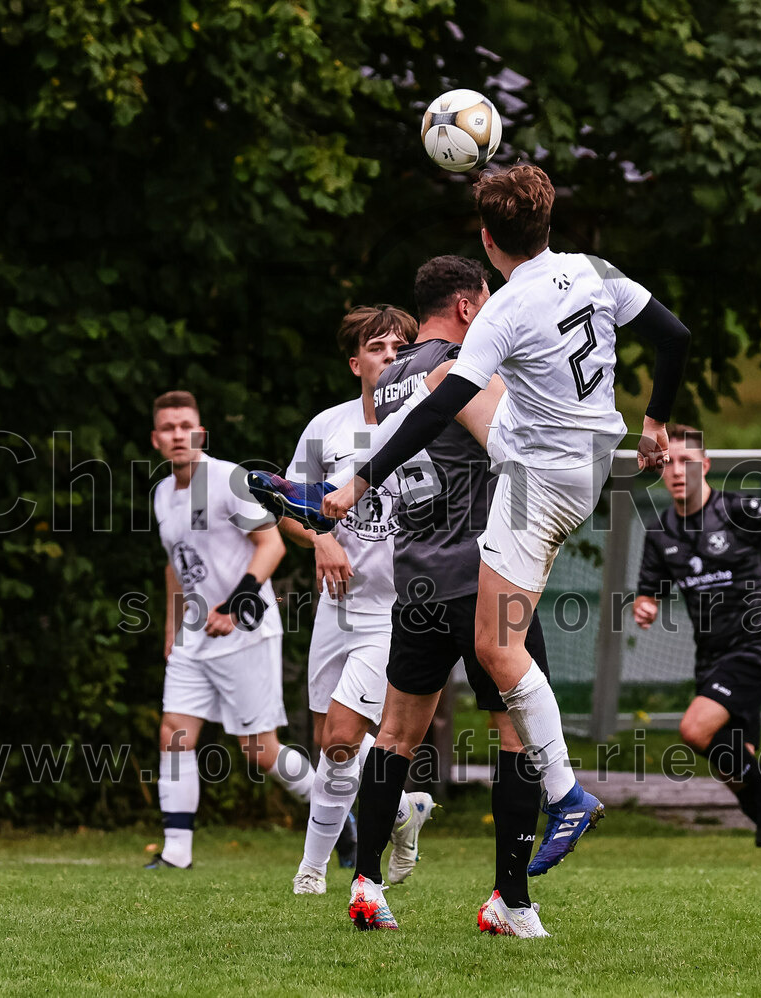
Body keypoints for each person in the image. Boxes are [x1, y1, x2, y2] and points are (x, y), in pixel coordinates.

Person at [312, 164, 691, 877]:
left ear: (488, 240)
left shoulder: (504, 309)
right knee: (496, 649)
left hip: (531, 486)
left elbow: (438, 407)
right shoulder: (594, 271)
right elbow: (675, 336)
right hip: (587, 466)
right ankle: (515, 875)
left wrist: (360, 479)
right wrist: (656, 421)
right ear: (548, 223)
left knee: (496, 648)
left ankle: (565, 794)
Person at [341, 256, 553, 936]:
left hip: (417, 577)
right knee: (518, 732)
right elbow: (509, 445)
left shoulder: (390, 377)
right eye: (487, 299)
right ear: (467, 306)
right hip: (483, 575)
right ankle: (511, 901)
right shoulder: (461, 367)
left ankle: (366, 884)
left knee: (395, 734)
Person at [277, 306, 434, 895]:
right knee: (332, 747)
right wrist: (321, 539)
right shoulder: (328, 427)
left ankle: (314, 869)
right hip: (336, 608)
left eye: (399, 348)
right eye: (377, 348)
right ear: (355, 363)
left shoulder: (431, 423)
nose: (390, 357)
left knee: (342, 736)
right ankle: (380, 825)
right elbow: (288, 507)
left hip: (396, 612)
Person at [633, 424, 761, 867]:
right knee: (737, 771)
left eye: (687, 462)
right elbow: (648, 592)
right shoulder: (661, 531)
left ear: (705, 466)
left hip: (754, 648)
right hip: (710, 658)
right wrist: (644, 607)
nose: (677, 472)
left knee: (694, 731)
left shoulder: (739, 511)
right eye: (668, 464)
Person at [148, 390, 311, 870]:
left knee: (260, 751)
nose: (179, 435)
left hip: (245, 630)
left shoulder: (226, 479)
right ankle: (176, 852)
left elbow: (271, 546)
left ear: (200, 432)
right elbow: (176, 565)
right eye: (169, 428)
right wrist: (172, 629)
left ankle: (339, 816)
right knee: (174, 733)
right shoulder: (162, 494)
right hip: (194, 637)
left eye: (186, 426)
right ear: (156, 439)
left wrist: (233, 607)